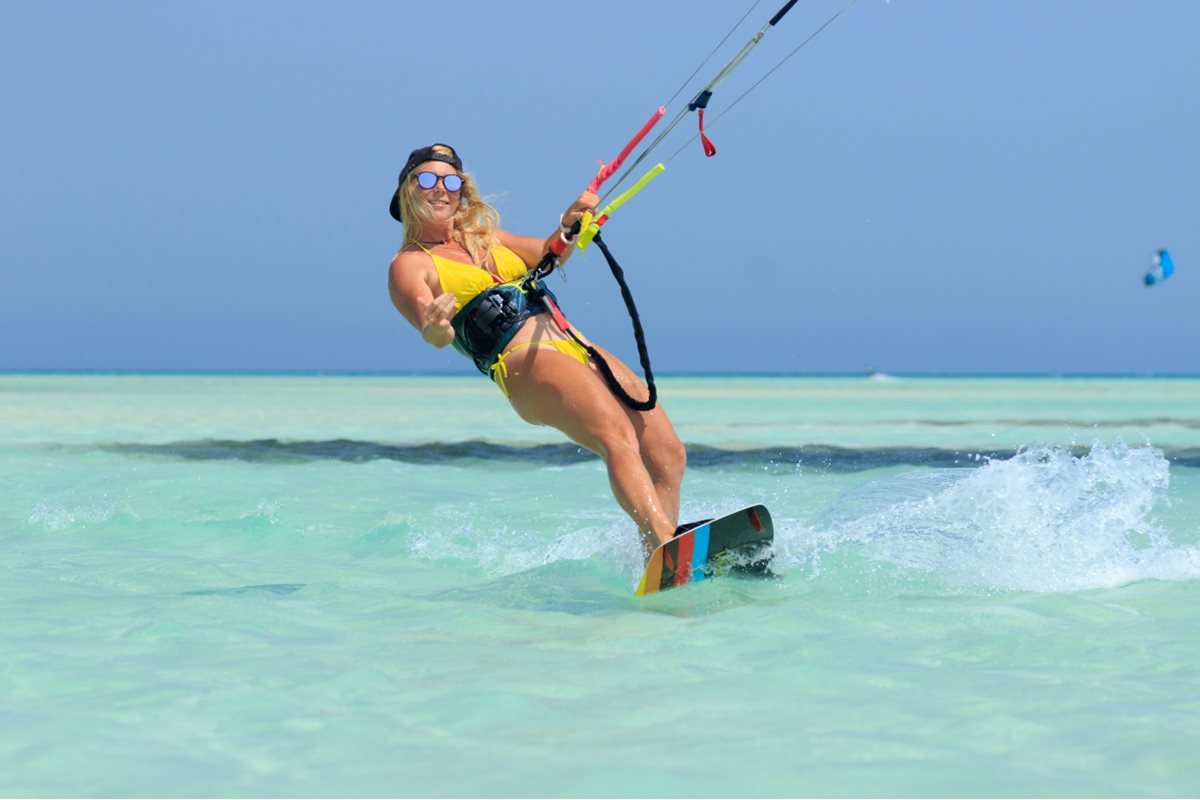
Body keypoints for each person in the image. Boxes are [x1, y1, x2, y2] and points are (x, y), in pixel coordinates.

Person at [386, 143, 687, 557]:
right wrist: (437, 327)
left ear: (462, 191)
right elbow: (432, 332)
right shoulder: (409, 265)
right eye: (427, 179)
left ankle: (658, 560)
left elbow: (550, 255)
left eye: (450, 180)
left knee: (667, 452)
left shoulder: (485, 239)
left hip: (574, 345)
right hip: (524, 364)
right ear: (407, 190)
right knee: (617, 436)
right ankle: (664, 545)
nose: (440, 189)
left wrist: (569, 225)